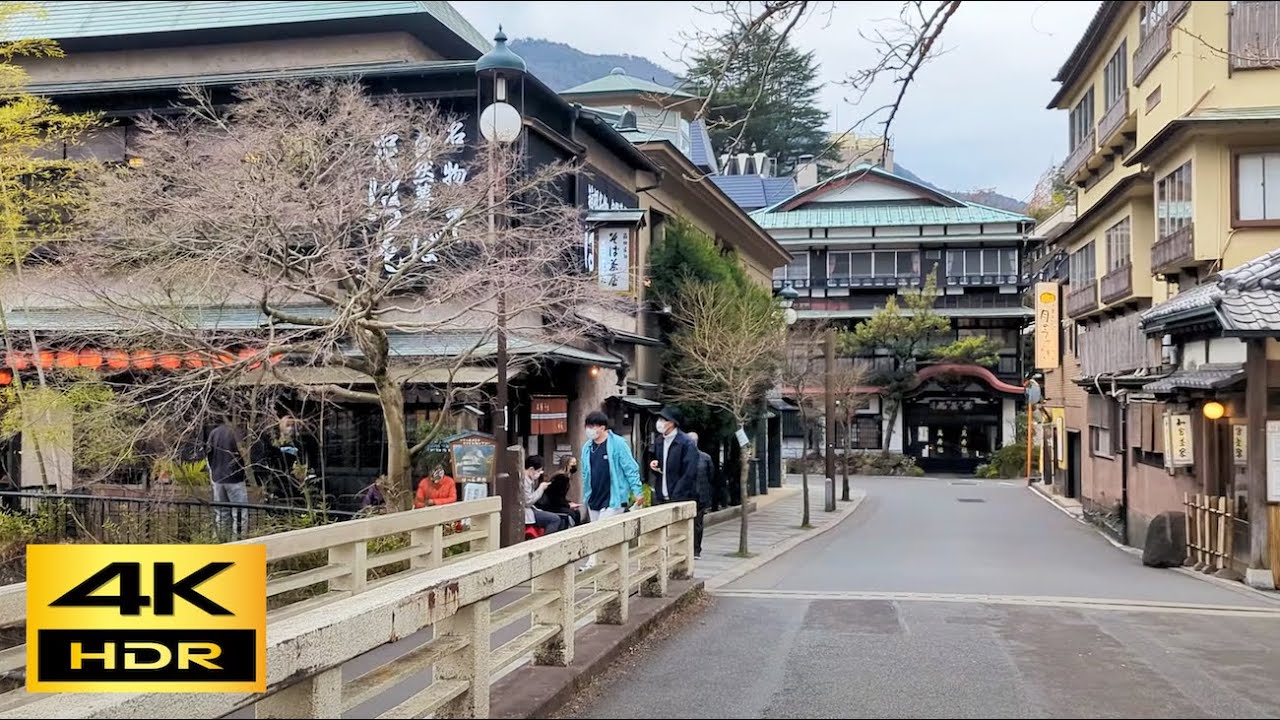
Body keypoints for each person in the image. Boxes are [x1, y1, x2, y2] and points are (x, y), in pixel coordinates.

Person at [580, 410, 643, 568]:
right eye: (588, 426)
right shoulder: (587, 447)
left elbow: (630, 468)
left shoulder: (618, 444)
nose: (589, 430)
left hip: (614, 497)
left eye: (593, 426)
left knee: (601, 530)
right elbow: (585, 473)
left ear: (602, 427)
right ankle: (599, 563)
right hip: (594, 496)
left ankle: (593, 563)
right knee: (594, 531)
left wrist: (637, 491)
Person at [648, 407, 699, 506]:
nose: (659, 423)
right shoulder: (659, 441)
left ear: (672, 423)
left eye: (663, 420)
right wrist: (654, 465)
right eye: (659, 419)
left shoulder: (686, 443)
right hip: (661, 497)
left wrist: (677, 495)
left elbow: (689, 472)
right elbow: (658, 463)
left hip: (680, 498)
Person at [206, 422, 248, 538]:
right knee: (239, 514)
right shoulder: (238, 433)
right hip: (235, 479)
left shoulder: (214, 433)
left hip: (218, 479)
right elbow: (245, 455)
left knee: (221, 514)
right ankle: (238, 543)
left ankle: (221, 541)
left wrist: (214, 474)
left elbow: (209, 455)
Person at [687, 431, 714, 559]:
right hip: (701, 495)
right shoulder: (706, 458)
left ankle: (692, 549)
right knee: (698, 523)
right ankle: (696, 550)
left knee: (691, 523)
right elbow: (711, 476)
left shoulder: (683, 458)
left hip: (689, 496)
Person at [521, 455, 563, 535]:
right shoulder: (524, 481)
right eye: (538, 471)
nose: (539, 474)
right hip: (526, 512)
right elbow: (528, 501)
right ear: (531, 469)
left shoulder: (528, 479)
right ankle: (545, 540)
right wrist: (541, 488)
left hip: (530, 510)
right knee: (555, 519)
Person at [536, 456, 581, 528]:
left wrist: (569, 503)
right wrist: (568, 505)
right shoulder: (561, 478)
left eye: (575, 463)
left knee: (576, 512)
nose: (574, 465)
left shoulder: (563, 477)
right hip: (550, 505)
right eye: (572, 463)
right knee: (573, 514)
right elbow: (555, 497)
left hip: (555, 503)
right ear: (566, 464)